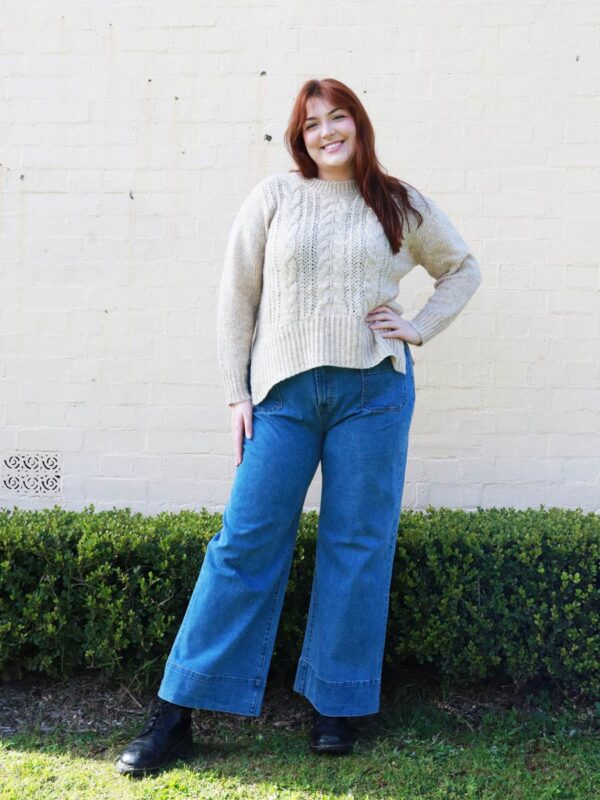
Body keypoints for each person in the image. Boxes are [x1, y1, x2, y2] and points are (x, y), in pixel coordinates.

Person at [116, 77, 482, 776]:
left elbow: (461, 269)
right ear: (300, 136)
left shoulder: (397, 201)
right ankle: (175, 714)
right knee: (244, 542)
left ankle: (336, 706)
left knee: (358, 543)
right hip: (282, 393)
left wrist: (418, 327)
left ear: (358, 125)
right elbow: (238, 296)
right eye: (311, 123)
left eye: (337, 117)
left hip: (373, 390)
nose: (325, 131)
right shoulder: (274, 198)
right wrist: (236, 392)